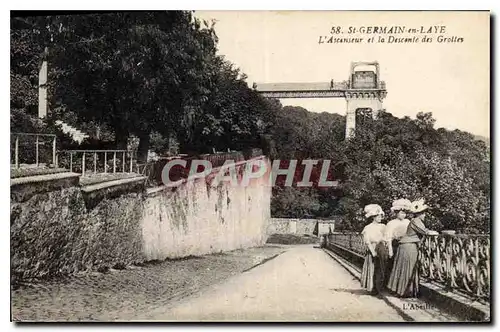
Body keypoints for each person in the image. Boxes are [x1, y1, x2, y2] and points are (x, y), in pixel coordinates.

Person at [387, 199, 439, 297]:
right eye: (423, 213)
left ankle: (405, 291)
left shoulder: (415, 221)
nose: (425, 215)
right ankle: (404, 292)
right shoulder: (416, 221)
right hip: (408, 246)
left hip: (408, 246)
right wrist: (435, 233)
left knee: (407, 268)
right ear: (419, 214)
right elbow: (425, 231)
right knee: (408, 268)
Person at [360, 204, 388, 296]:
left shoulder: (383, 226)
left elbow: (386, 238)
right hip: (373, 249)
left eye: (381, 216)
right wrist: (373, 252)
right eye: (379, 216)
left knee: (381, 268)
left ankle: (380, 287)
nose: (381, 218)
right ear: (373, 217)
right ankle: (373, 287)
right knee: (373, 268)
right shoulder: (368, 228)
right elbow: (367, 241)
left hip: (381, 248)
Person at [384, 199, 412, 277]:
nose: (403, 215)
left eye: (405, 213)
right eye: (401, 213)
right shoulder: (391, 223)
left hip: (406, 245)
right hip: (395, 245)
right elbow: (388, 237)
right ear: (396, 213)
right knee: (393, 265)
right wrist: (390, 250)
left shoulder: (408, 222)